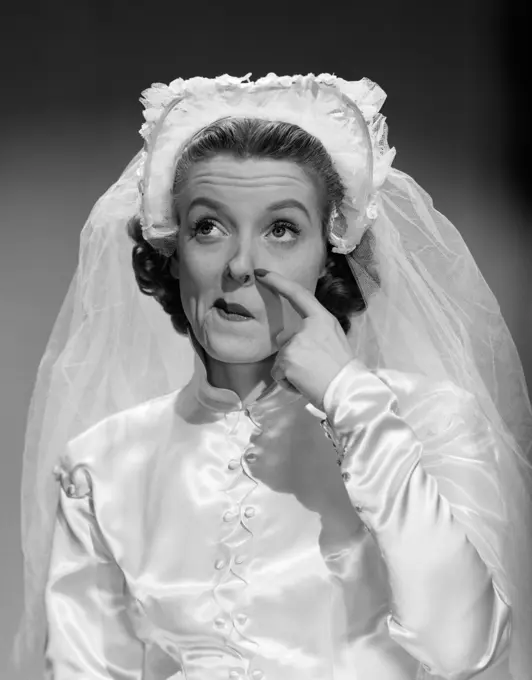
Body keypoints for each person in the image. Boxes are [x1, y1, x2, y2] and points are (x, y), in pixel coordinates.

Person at [13, 73, 532, 680]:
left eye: (281, 229)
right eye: (209, 226)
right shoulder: (102, 464)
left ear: (330, 254)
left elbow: (463, 649)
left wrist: (351, 401)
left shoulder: (429, 421)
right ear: (172, 251)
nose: (240, 265)